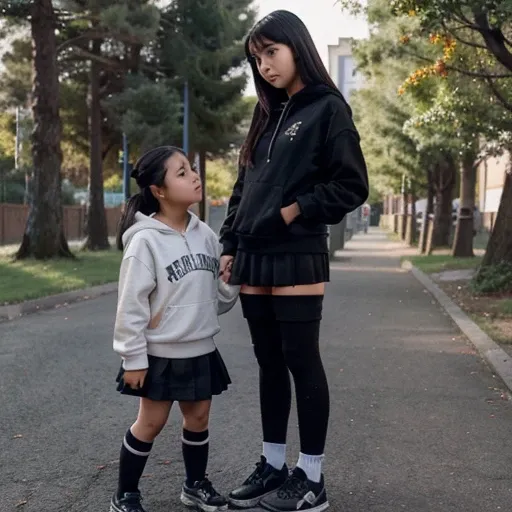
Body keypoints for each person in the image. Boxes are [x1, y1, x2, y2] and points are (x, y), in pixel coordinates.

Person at [219, 10, 369, 512]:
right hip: (254, 254)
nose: (263, 65)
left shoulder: (328, 108)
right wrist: (228, 244)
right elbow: (243, 188)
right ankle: (273, 464)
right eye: (256, 58)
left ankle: (311, 476)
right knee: (267, 363)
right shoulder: (266, 115)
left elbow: (351, 185)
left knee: (301, 360)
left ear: (296, 46)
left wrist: (293, 210)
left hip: (297, 251)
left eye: (271, 52)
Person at [110, 146, 239, 512]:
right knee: (150, 423)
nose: (194, 175)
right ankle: (125, 494)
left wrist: (232, 282)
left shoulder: (206, 235)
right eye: (181, 172)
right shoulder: (145, 242)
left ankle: (195, 485)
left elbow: (219, 299)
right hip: (159, 353)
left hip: (200, 348)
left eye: (192, 169)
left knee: (198, 418)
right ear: (159, 191)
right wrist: (133, 358)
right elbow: (131, 306)